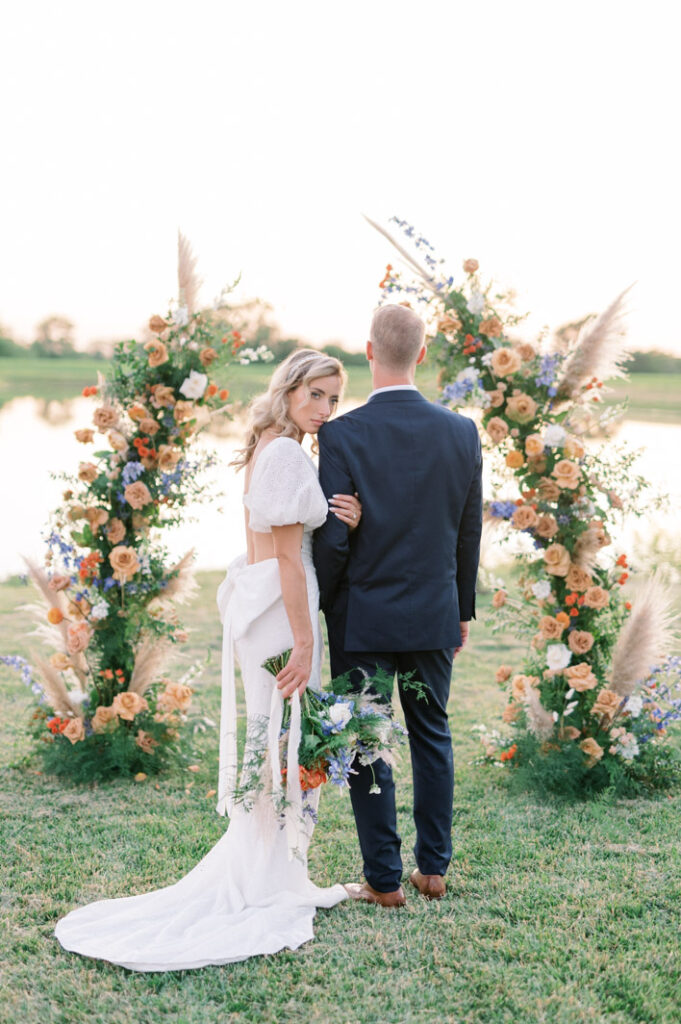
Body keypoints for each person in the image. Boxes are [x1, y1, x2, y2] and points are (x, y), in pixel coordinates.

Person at [54, 349, 362, 971]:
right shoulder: (282, 453)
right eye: (317, 395)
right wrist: (303, 642)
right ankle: (265, 882)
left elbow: (280, 536)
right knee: (281, 740)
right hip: (282, 609)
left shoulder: (273, 445)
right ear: (290, 389)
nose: (327, 410)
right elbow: (282, 557)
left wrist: (335, 518)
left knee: (277, 741)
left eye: (335, 398)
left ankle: (273, 871)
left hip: (272, 605)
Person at [313, 304, 483, 907]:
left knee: (365, 737)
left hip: (363, 617)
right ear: (423, 353)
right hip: (434, 612)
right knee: (432, 733)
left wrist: (326, 600)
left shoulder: (340, 433)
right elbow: (468, 534)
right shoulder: (462, 432)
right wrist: (460, 610)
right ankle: (433, 869)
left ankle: (384, 881)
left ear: (368, 352)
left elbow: (333, 536)